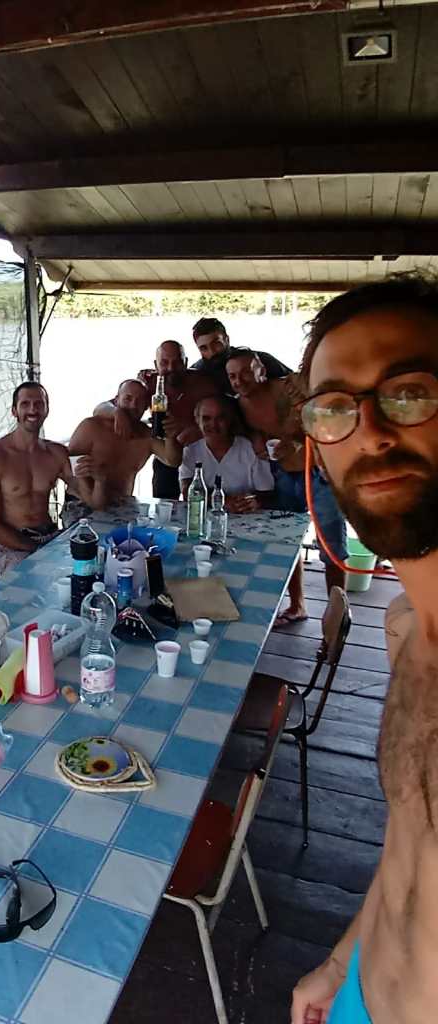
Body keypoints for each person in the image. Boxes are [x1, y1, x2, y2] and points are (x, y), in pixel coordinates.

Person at [290, 274, 438, 1024]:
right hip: (361, 994)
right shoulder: (405, 629)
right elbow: (413, 831)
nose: (372, 432)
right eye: (335, 409)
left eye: (409, 394)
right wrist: (342, 959)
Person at [226, 346, 347, 626]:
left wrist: (296, 442)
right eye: (232, 376)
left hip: (318, 473)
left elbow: (330, 419)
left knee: (331, 548)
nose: (239, 381)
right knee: (286, 542)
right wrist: (254, 436)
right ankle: (297, 604)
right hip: (282, 475)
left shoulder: (292, 387)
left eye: (246, 372)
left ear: (261, 369)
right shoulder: (239, 406)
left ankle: (336, 616)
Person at [0, 381, 102, 575]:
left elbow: (91, 500)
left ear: (46, 410)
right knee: (30, 586)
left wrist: (98, 478)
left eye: (38, 404)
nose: (32, 409)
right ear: (14, 411)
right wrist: (38, 550)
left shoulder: (56, 453)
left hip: (50, 536)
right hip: (14, 545)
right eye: (25, 404)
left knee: (92, 568)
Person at [94, 339, 219, 499]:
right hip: (165, 451)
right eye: (164, 363)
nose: (171, 368)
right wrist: (117, 412)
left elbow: (224, 416)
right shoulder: (150, 384)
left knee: (201, 501)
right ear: (156, 365)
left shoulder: (202, 383)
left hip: (199, 451)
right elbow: (101, 408)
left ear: (186, 362)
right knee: (164, 503)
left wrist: (193, 429)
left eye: (177, 362)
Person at [69, 378, 183, 515]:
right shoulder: (92, 427)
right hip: (82, 504)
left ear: (146, 407)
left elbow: (173, 461)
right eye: (128, 399)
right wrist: (95, 498)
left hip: (122, 506)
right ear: (117, 400)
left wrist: (170, 435)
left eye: (139, 401)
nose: (133, 405)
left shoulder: (146, 435)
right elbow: (69, 470)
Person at [179, 396, 274, 512]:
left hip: (246, 517)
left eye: (220, 418)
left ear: (229, 420)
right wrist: (222, 502)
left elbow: (267, 493)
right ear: (197, 420)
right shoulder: (190, 451)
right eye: (206, 418)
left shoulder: (251, 449)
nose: (213, 425)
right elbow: (186, 491)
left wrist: (252, 501)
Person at [192, 316, 292, 395]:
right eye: (204, 348)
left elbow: (293, 383)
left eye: (216, 344)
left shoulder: (260, 360)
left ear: (227, 340)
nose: (212, 352)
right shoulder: (198, 373)